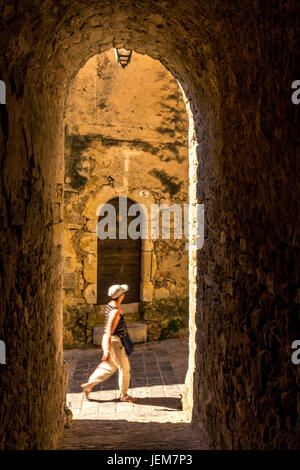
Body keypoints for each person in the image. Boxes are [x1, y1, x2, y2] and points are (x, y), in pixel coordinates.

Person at [81, 284, 138, 402]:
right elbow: (108, 331)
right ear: (121, 296)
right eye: (123, 294)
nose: (124, 295)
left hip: (116, 341)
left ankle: (89, 385)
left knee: (110, 366)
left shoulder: (111, 305)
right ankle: (124, 395)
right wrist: (106, 349)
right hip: (116, 342)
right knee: (124, 368)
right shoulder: (115, 312)